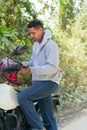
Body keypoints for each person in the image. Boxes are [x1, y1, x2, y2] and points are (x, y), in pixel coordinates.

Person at [18, 19, 61, 130]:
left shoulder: (51, 45)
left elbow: (52, 68)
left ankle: (37, 127)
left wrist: (31, 69)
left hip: (49, 82)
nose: (31, 36)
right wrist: (24, 64)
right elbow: (33, 62)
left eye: (33, 33)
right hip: (39, 82)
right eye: (30, 33)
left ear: (40, 30)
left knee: (23, 97)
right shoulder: (36, 45)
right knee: (48, 117)